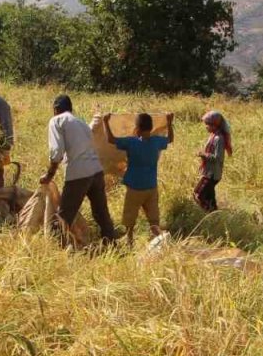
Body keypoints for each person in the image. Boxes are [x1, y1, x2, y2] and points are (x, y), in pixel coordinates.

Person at [40, 94, 117, 245]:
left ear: (55, 109)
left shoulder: (56, 120)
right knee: (101, 213)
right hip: (96, 172)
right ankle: (111, 242)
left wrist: (49, 175)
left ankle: (54, 248)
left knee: (64, 215)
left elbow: (56, 153)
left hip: (79, 174)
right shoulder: (80, 122)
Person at [106, 111, 174, 244]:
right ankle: (159, 240)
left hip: (135, 188)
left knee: (130, 216)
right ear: (151, 128)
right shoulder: (156, 141)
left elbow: (111, 140)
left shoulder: (131, 142)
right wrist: (170, 122)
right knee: (154, 219)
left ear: (136, 129)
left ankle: (129, 239)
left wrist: (105, 122)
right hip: (151, 187)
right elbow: (170, 139)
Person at [194, 110, 232, 212]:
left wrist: (203, 155)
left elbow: (217, 158)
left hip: (212, 174)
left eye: (207, 125)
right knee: (210, 198)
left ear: (214, 125)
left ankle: (207, 215)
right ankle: (214, 215)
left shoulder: (219, 138)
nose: (206, 127)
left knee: (198, 195)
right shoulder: (213, 135)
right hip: (209, 172)